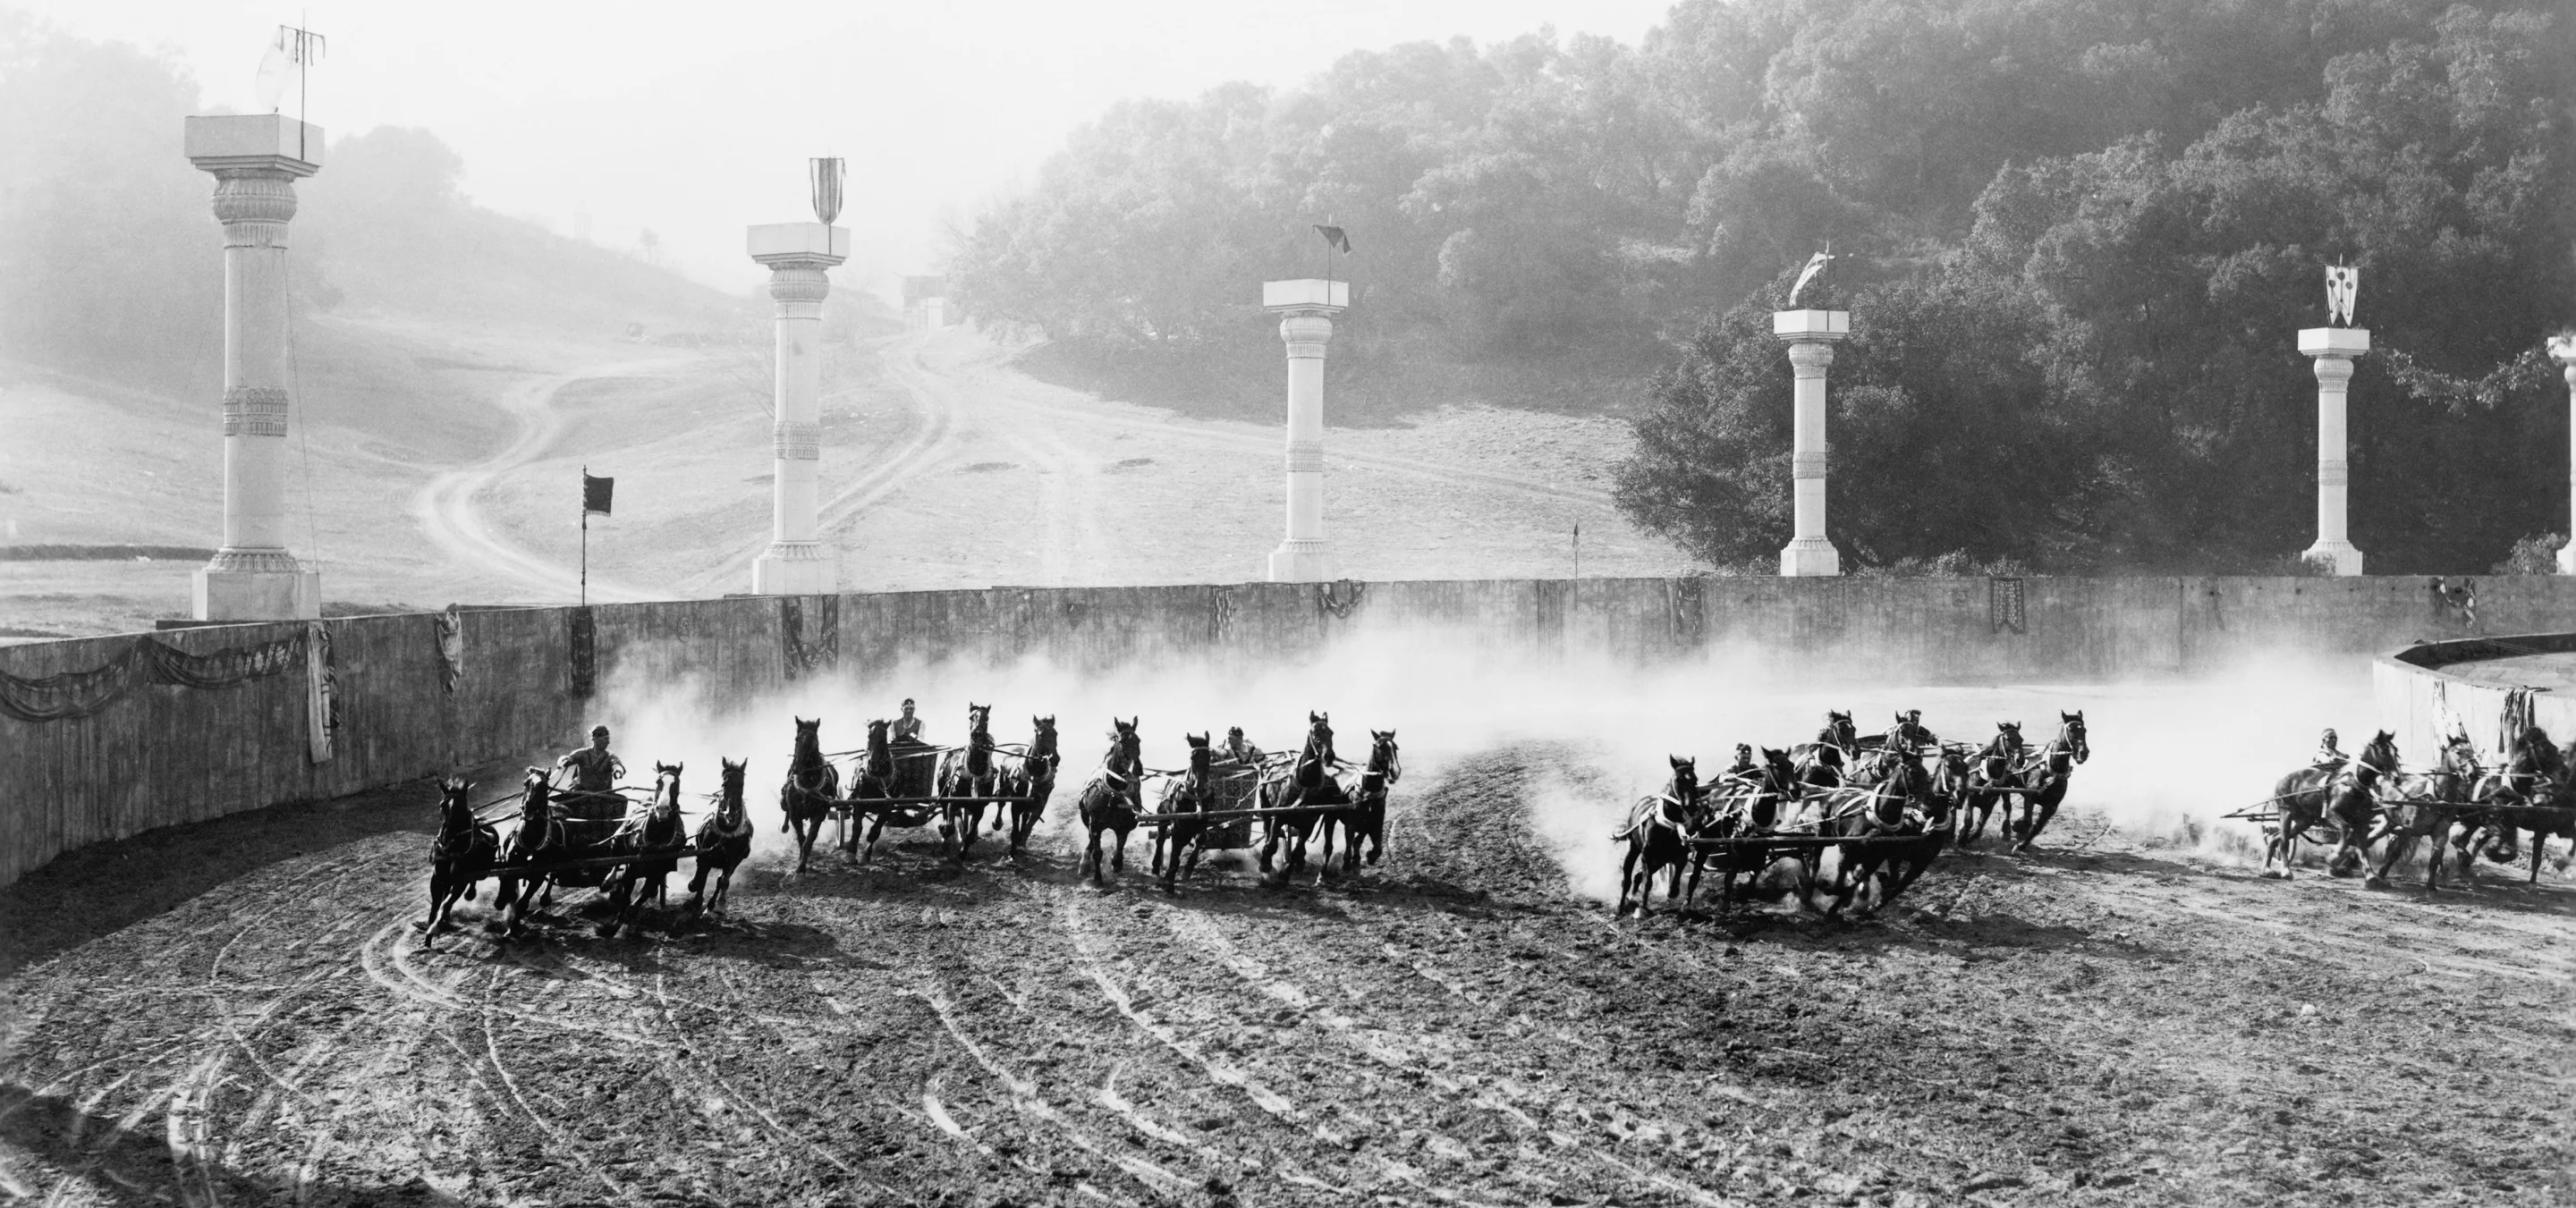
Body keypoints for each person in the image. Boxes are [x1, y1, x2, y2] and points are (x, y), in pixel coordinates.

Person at [557, 724, 625, 793]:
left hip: (603, 797)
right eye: (605, 739)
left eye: (608, 738)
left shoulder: (610, 756)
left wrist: (618, 770)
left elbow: (616, 764)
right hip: (581, 795)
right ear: (595, 739)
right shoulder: (582, 754)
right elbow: (568, 758)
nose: (608, 742)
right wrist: (563, 760)